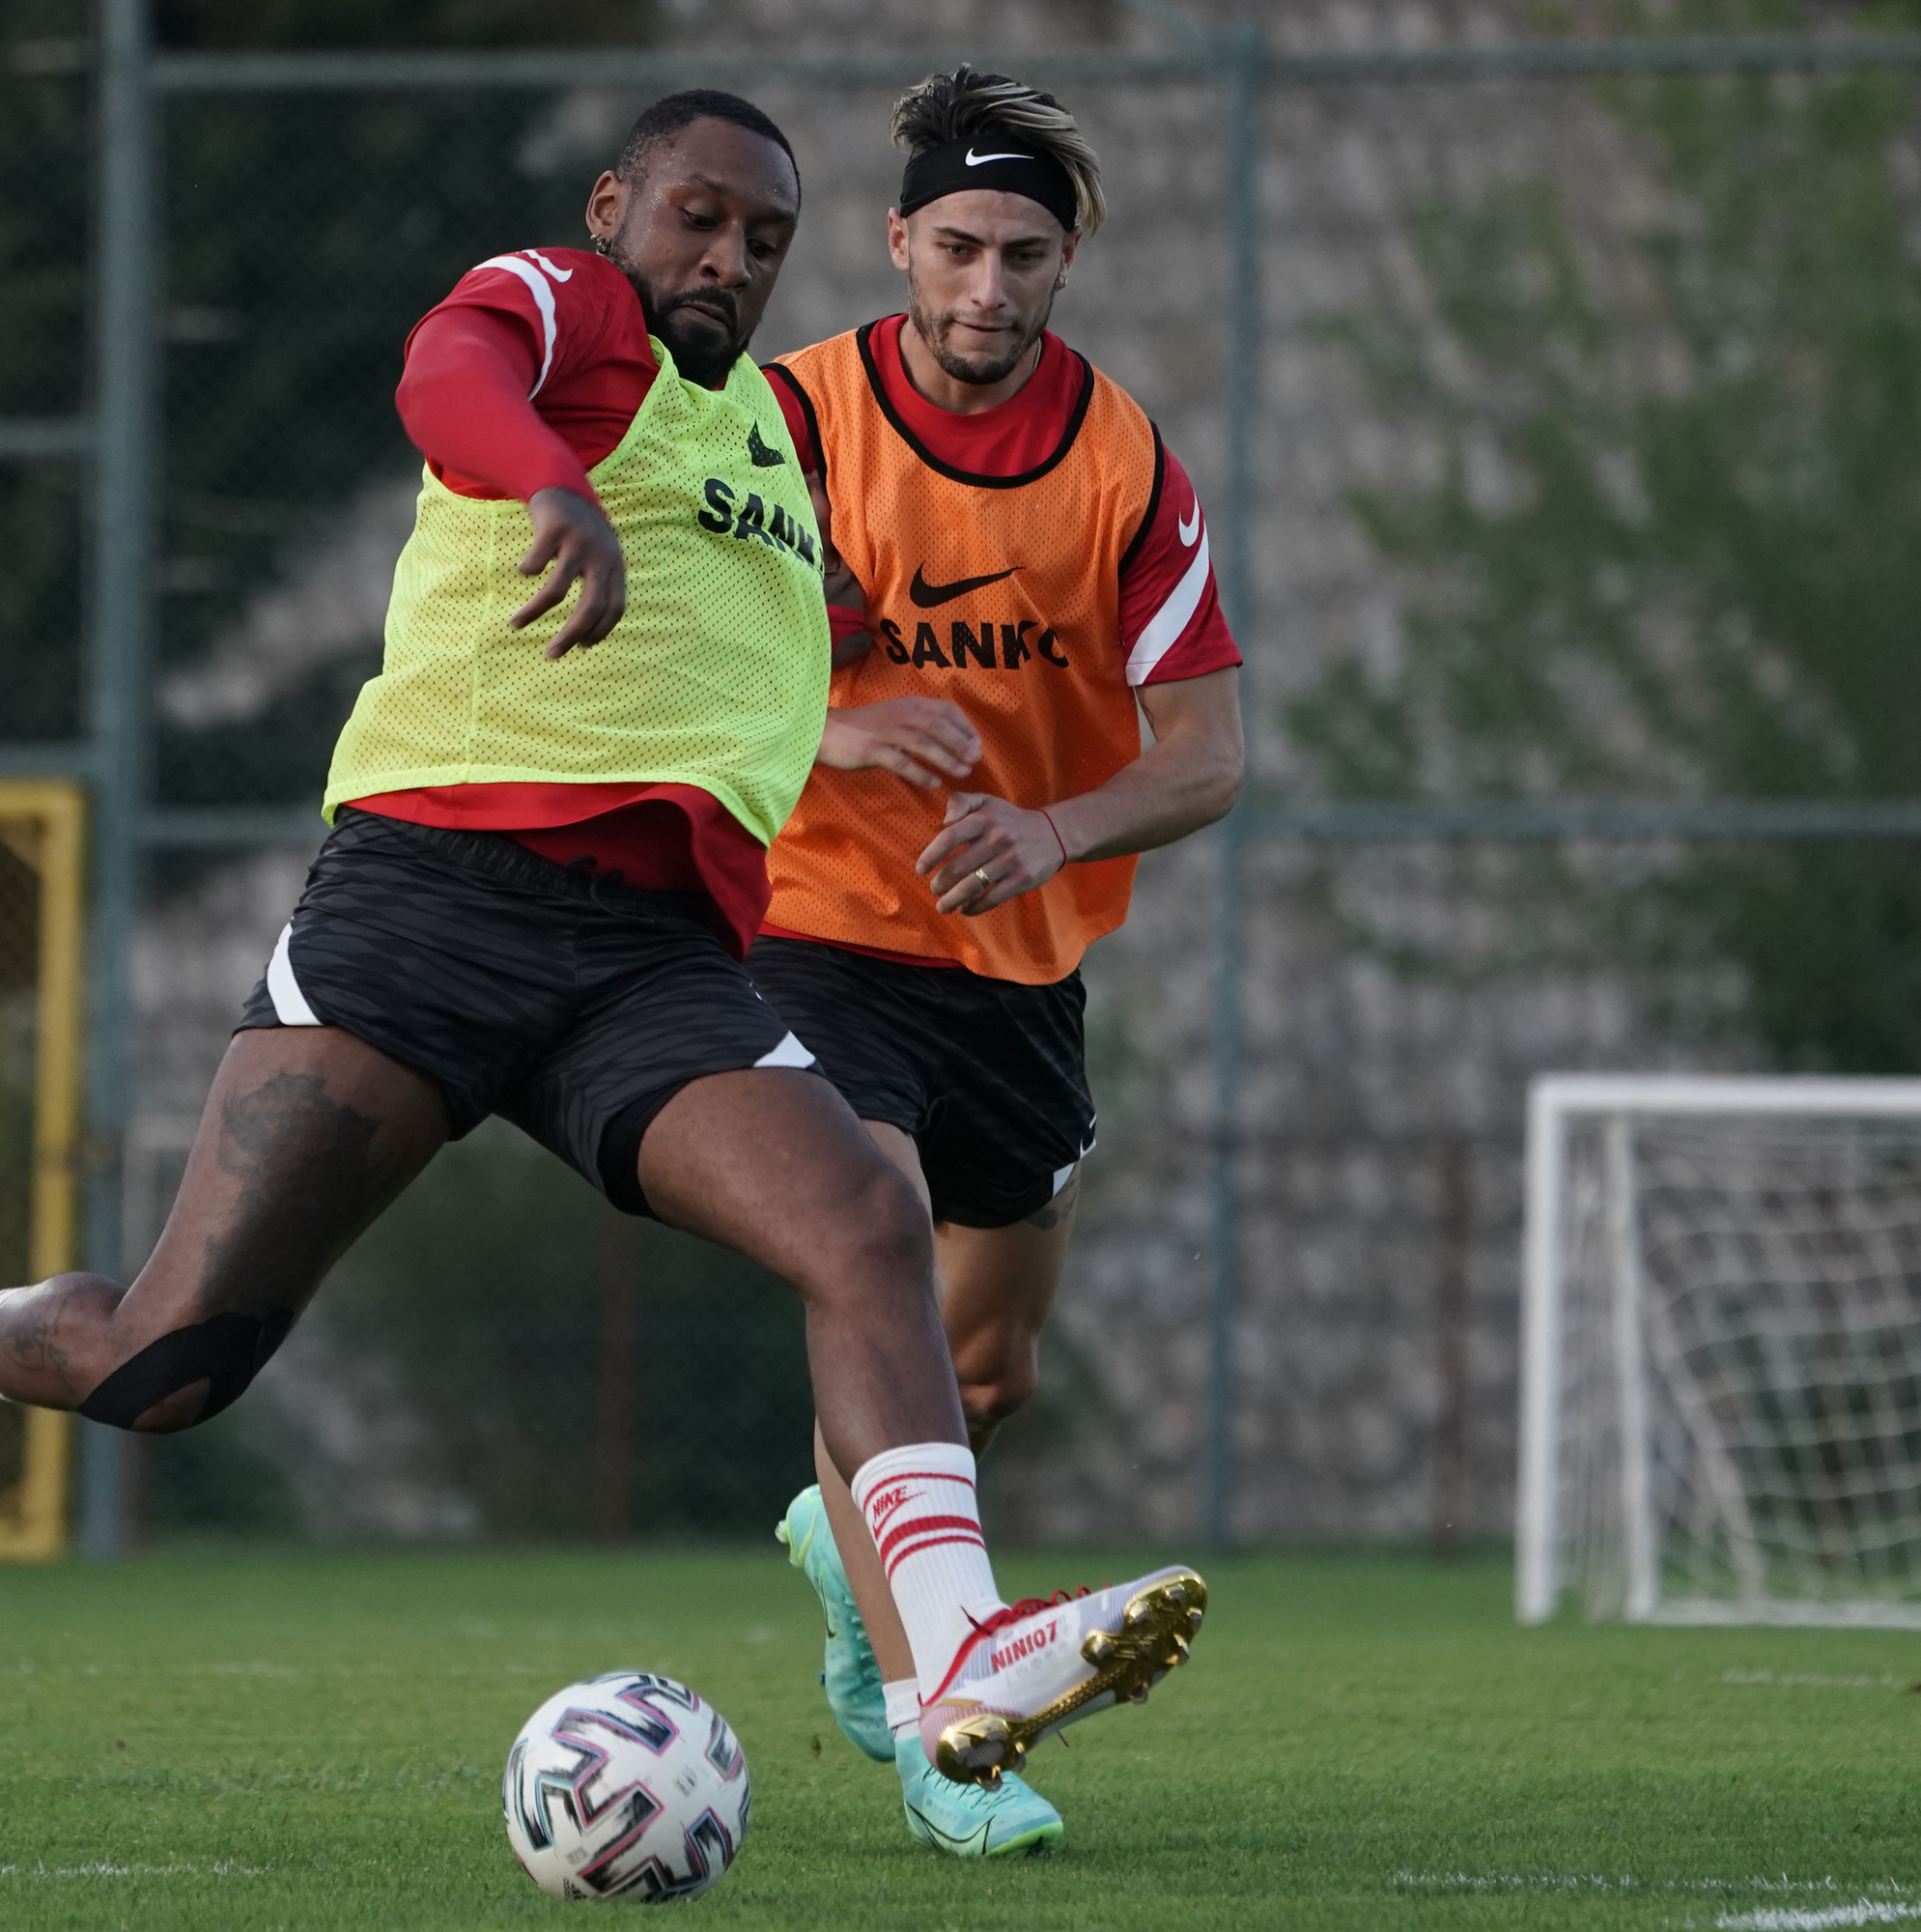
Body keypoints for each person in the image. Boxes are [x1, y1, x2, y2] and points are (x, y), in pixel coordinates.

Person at [0, 89, 1204, 1794]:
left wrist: (865, 710)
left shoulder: (763, 440)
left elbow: (769, 653)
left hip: (650, 962)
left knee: (863, 1220)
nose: (726, 257)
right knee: (170, 1365)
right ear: (613, 206)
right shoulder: (568, 308)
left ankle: (952, 1661)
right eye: (695, 215)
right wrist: (549, 486)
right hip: (434, 911)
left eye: (762, 237)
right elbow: (445, 375)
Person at [755, 68, 1244, 1856]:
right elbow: (656, 665)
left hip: (1019, 969)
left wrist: (1052, 830)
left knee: (979, 1378)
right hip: (813, 931)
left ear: (1065, 262)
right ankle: (940, 1731)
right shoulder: (786, 424)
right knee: (869, 1261)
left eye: (1022, 254)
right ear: (895, 243)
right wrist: (829, 730)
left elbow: (1209, 757)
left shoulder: (1126, 467)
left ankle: (849, 1553)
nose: (987, 285)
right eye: (956, 246)